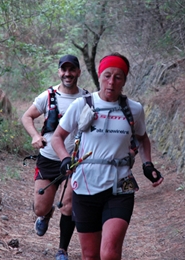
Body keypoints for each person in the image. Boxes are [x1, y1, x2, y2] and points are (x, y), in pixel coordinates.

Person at [51, 52, 164, 260]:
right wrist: (66, 159)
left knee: (110, 253)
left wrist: (148, 165)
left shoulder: (134, 109)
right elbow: (57, 137)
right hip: (85, 187)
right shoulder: (82, 104)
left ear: (124, 81)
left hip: (120, 187)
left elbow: (143, 138)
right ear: (99, 76)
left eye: (118, 77)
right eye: (107, 75)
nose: (111, 82)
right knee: (90, 255)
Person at [21, 54, 88, 260]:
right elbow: (27, 116)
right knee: (40, 207)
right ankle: (45, 214)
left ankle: (62, 250)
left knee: (68, 206)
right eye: (64, 70)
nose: (67, 74)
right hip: (48, 158)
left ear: (78, 72)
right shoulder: (48, 96)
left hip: (74, 161)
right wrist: (35, 135)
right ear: (59, 72)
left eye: (71, 70)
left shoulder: (87, 99)